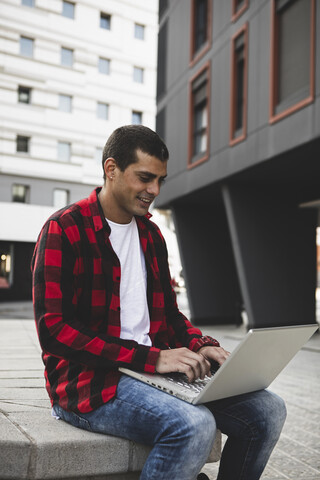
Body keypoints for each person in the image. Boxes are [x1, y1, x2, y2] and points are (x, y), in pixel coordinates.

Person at [32, 125, 286, 480]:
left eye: (160, 180)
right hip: (89, 383)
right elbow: (54, 332)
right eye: (145, 178)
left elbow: (167, 314)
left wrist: (201, 345)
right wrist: (152, 358)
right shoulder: (64, 228)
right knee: (193, 425)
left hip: (153, 371)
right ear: (111, 169)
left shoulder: (151, 235)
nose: (154, 191)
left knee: (268, 411)